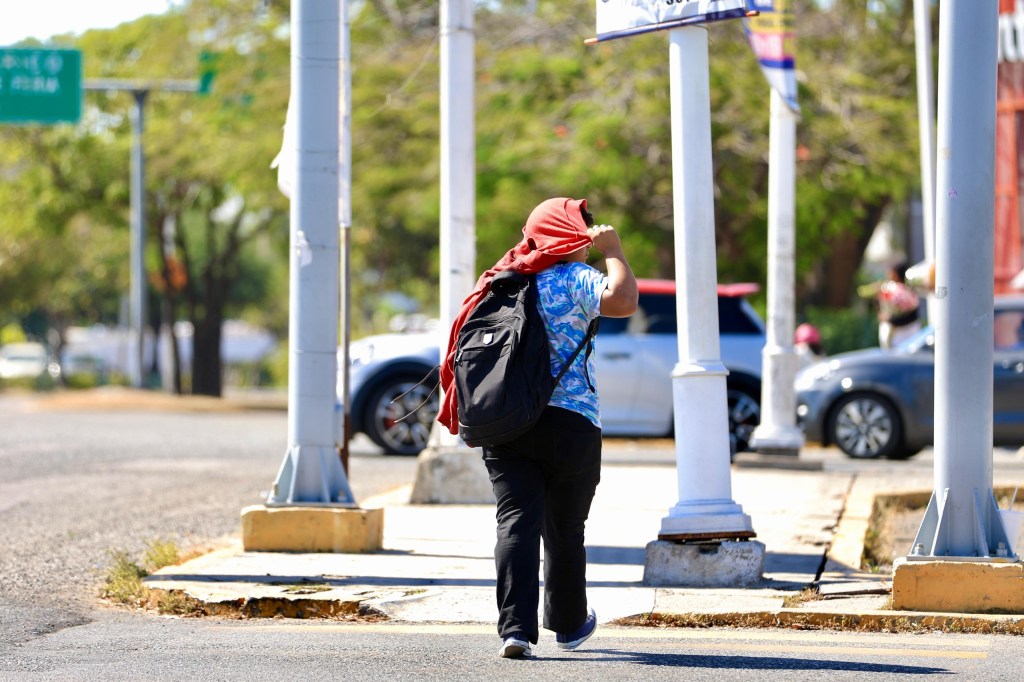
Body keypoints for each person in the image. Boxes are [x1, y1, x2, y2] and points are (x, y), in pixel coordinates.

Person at [437, 197, 638, 659]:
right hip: (571, 422)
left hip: (504, 421)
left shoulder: (501, 281)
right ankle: (568, 626)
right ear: (568, 233)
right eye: (582, 230)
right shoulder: (573, 277)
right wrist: (614, 250)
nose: (587, 239)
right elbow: (623, 301)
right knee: (565, 526)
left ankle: (515, 631)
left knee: (515, 521)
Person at [859, 261, 921, 349]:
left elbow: (910, 315)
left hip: (901, 334)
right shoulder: (910, 291)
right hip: (903, 332)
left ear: (895, 274)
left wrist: (890, 319)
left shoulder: (896, 290)